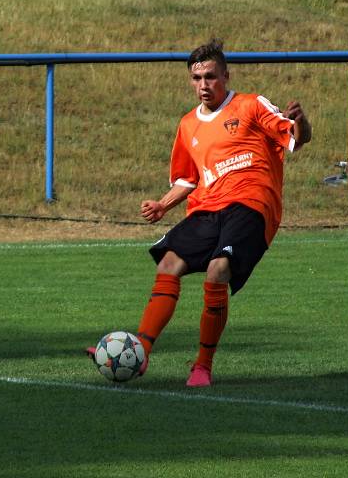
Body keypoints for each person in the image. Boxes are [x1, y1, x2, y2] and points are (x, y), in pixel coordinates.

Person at [90, 39, 312, 387]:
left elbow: (296, 138)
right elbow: (188, 179)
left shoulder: (251, 105)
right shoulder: (188, 125)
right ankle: (141, 351)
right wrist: (164, 204)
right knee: (168, 264)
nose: (204, 85)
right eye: (197, 78)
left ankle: (202, 366)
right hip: (207, 208)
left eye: (210, 76)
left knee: (217, 269)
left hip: (251, 204)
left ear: (225, 75)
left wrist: (301, 122)